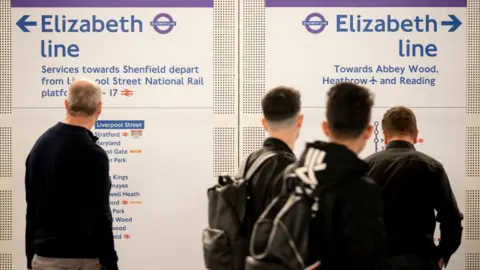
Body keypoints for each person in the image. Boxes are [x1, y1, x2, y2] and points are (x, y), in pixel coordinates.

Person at [25, 79, 118, 270]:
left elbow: (32, 207)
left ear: (66, 105)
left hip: (42, 258)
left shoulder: (40, 146)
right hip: (80, 260)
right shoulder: (93, 154)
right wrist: (110, 263)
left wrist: (30, 256)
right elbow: (101, 216)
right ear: (99, 108)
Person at [294, 82, 387, 269]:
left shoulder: (292, 175)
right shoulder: (361, 189)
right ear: (369, 131)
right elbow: (367, 259)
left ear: (325, 127)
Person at [364, 106, 463, 270]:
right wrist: (442, 254)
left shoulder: (365, 167)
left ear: (384, 136)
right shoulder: (432, 167)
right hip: (421, 261)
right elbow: (451, 218)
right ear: (416, 135)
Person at [245, 85, 303, 227]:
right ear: (300, 121)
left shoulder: (251, 160)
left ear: (264, 124)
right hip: (268, 249)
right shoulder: (288, 166)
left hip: (245, 248)